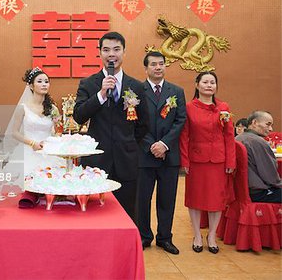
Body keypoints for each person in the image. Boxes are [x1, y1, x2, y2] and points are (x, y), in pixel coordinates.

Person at [73, 32, 148, 222]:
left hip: (127, 159)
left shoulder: (136, 86)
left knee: (127, 213)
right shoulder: (89, 84)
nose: (111, 54)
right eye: (106, 50)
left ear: (124, 52)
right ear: (99, 52)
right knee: (95, 213)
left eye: (116, 49)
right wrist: (100, 95)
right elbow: (78, 116)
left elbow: (143, 124)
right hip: (97, 162)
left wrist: (128, 143)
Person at [179, 72, 235, 254]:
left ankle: (211, 235)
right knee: (195, 198)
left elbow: (229, 136)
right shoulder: (189, 107)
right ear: (197, 85)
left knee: (216, 200)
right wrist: (184, 160)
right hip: (196, 160)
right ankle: (197, 235)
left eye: (212, 82)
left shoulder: (224, 107)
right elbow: (184, 136)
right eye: (205, 82)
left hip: (218, 160)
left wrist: (231, 161)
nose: (209, 85)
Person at [137, 51, 186, 254]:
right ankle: (143, 236)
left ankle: (165, 238)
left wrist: (164, 144)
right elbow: (135, 121)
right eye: (154, 64)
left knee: (167, 200)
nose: (158, 67)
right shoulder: (136, 90)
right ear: (146, 68)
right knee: (142, 200)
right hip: (144, 156)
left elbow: (180, 120)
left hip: (169, 156)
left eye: (161, 64)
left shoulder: (176, 91)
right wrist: (152, 145)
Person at [5, 67, 64, 176]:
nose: (44, 84)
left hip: (48, 151)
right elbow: (15, 133)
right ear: (31, 86)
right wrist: (32, 143)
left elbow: (58, 131)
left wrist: (51, 142)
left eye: (46, 82)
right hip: (28, 151)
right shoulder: (23, 108)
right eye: (40, 81)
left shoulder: (53, 109)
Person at [236, 111, 282, 203]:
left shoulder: (238, 138)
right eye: (268, 124)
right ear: (254, 123)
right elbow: (271, 176)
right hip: (259, 193)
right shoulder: (258, 142)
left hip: (240, 191)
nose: (271, 129)